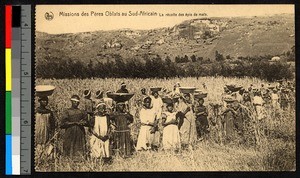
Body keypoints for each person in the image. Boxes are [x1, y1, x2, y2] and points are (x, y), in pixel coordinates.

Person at [61, 95, 89, 159]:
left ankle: (79, 159)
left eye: (77, 102)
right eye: (74, 101)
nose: (76, 103)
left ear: (79, 102)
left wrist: (83, 122)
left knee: (79, 145)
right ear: (71, 101)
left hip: (79, 131)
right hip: (70, 131)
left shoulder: (82, 111)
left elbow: (87, 122)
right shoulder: (67, 111)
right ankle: (68, 159)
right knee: (69, 144)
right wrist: (75, 122)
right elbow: (63, 124)